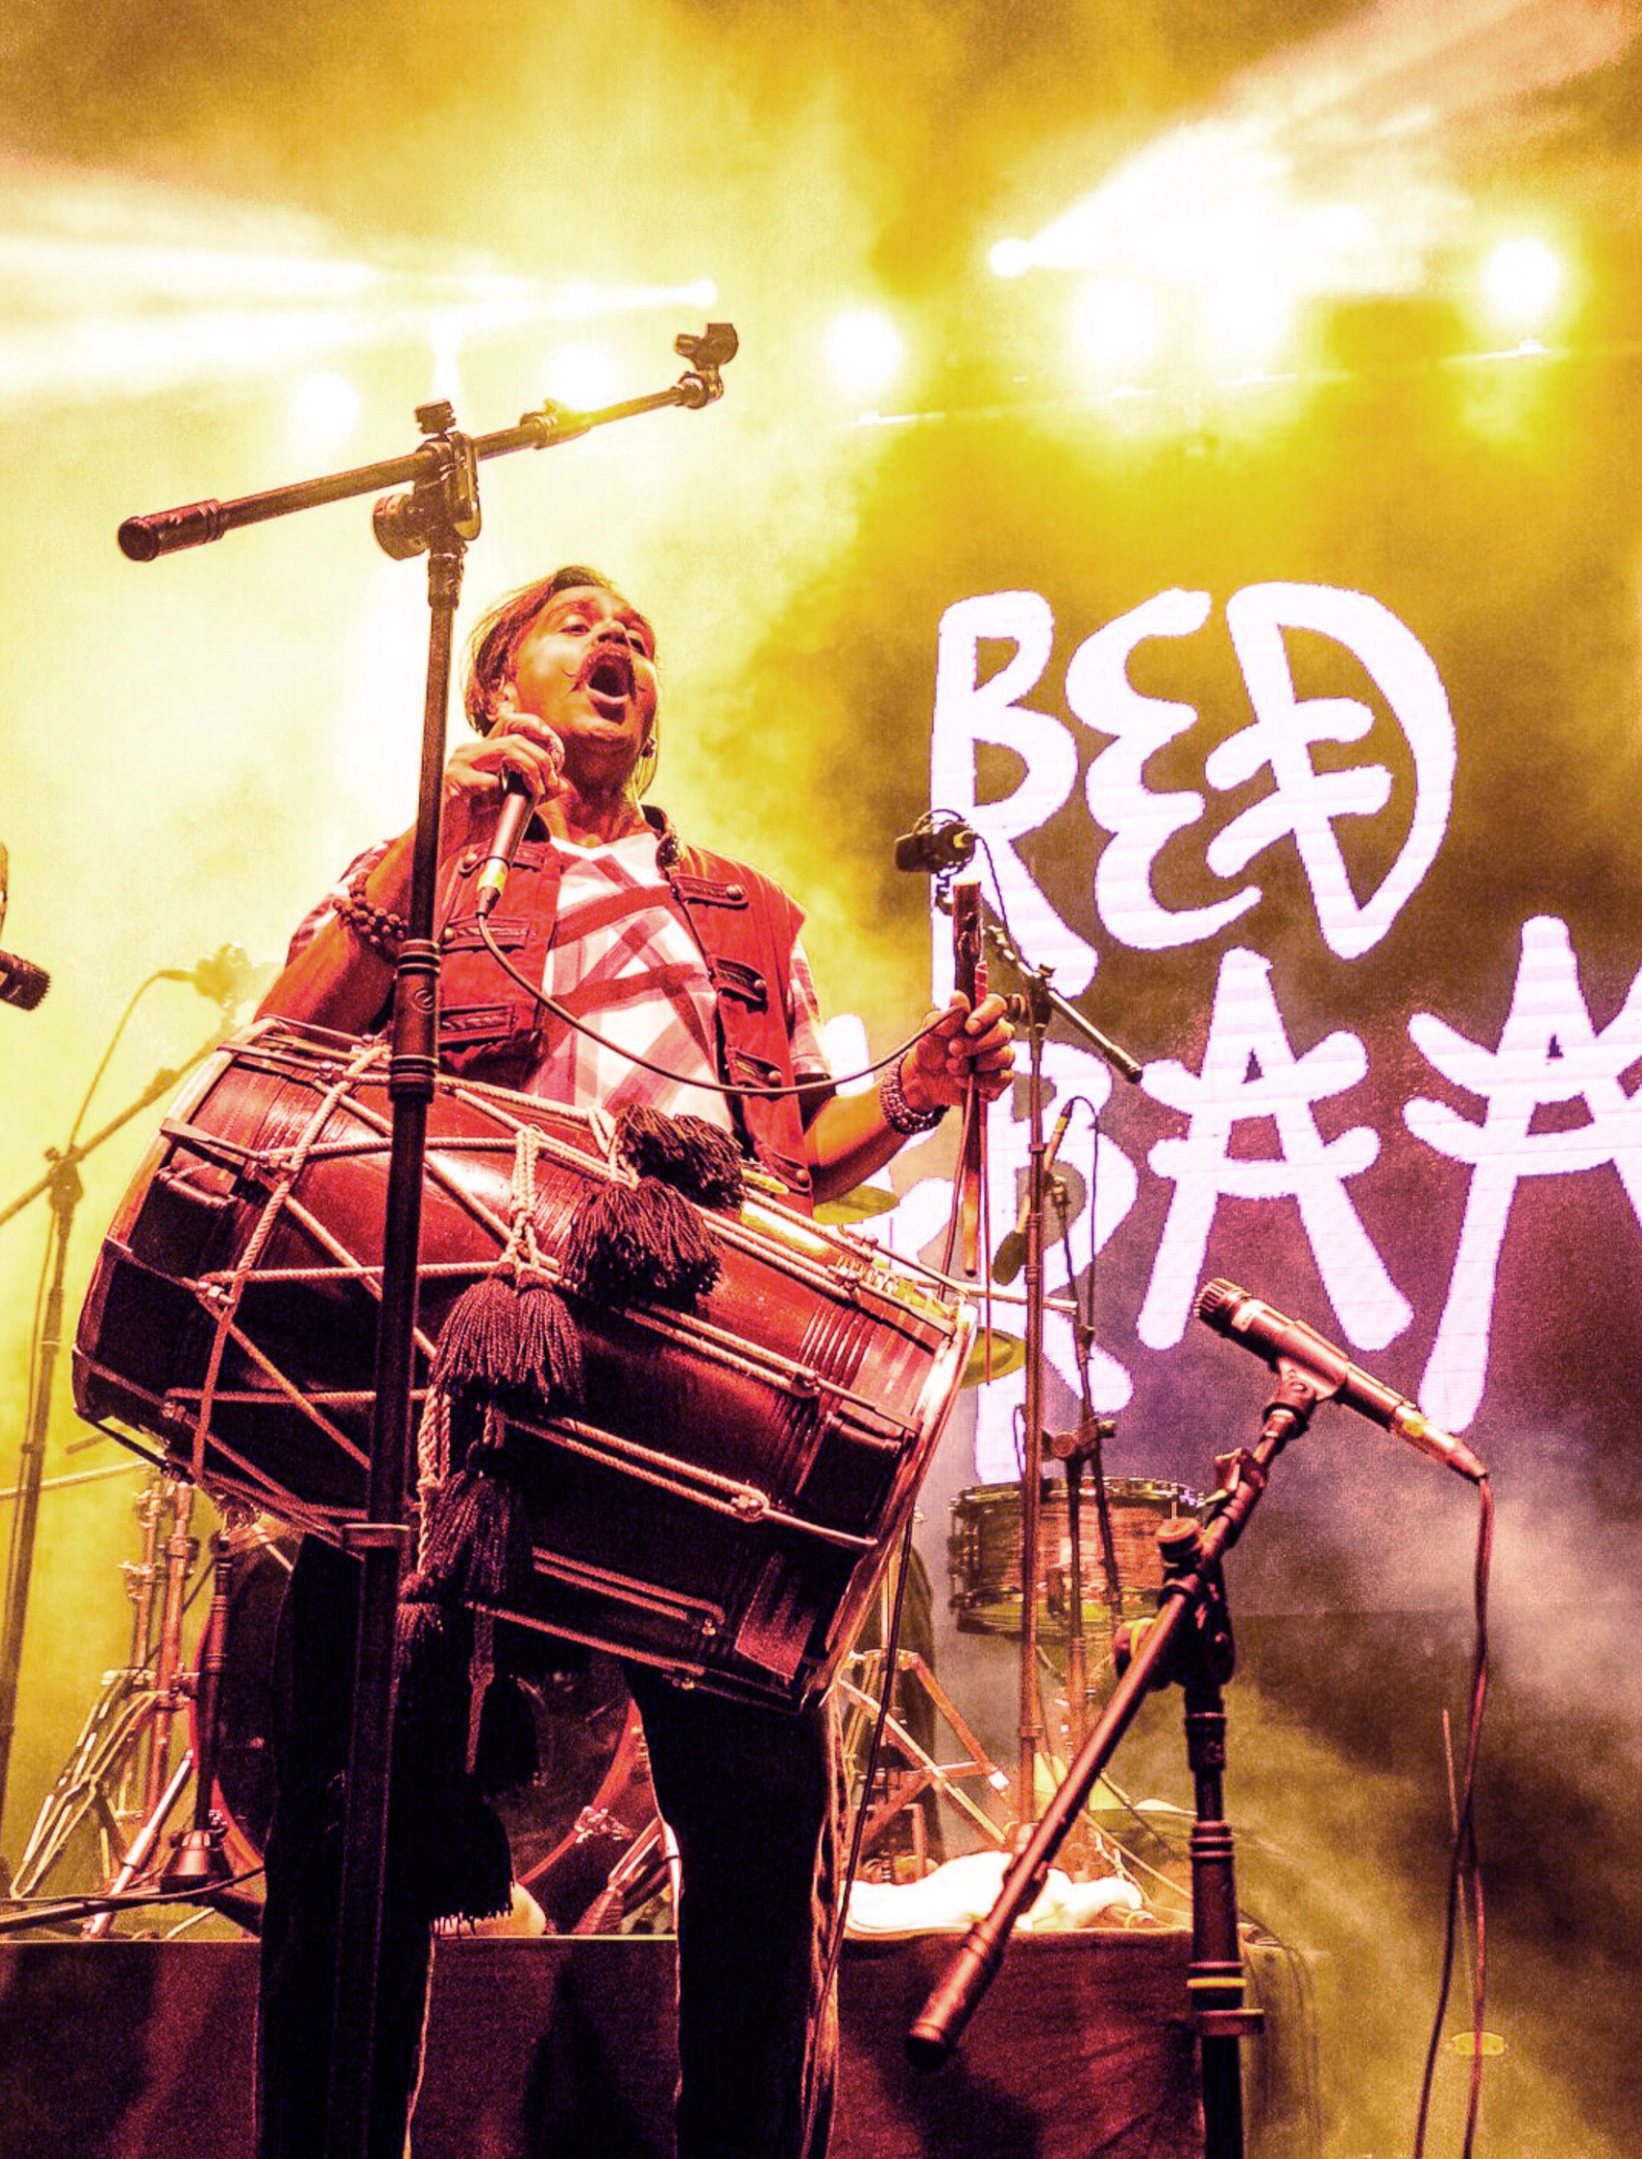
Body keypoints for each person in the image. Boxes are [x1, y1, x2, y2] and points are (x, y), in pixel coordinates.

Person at [254, 563, 1011, 2159]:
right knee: (361, 1823)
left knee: (760, 1838)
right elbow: (284, 1050)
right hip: (464, 1379)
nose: (623, 648)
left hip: (693, 1385)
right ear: (497, 686)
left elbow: (800, 1153)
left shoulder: (744, 909)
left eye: (644, 639)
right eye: (583, 624)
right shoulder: (425, 868)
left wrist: (921, 1087)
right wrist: (435, 849)